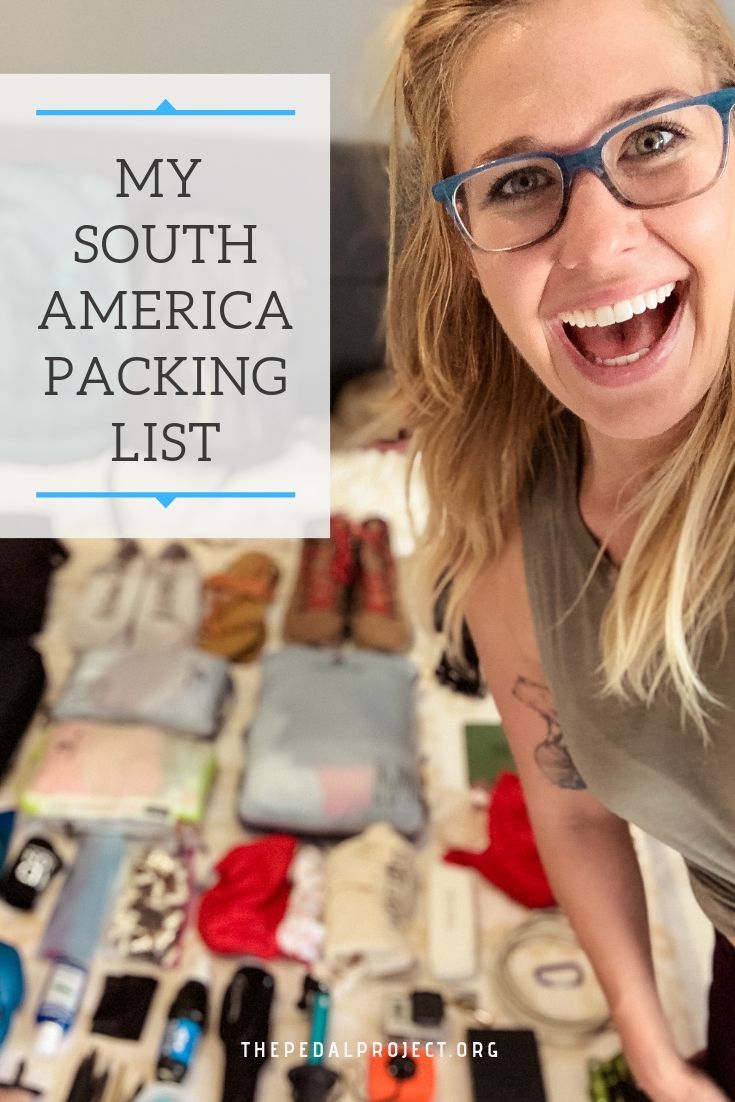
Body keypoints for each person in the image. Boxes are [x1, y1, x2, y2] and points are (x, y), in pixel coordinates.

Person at [387, 0, 735, 1099]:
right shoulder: (508, 519)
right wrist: (648, 1045)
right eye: (521, 181)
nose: (597, 244)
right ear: (464, 243)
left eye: (654, 139)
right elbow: (574, 805)